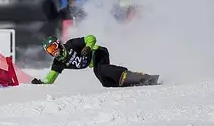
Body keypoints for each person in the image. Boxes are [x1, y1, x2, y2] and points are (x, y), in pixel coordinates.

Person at [31, 34, 159, 88]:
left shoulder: (71, 44)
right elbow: (51, 78)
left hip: (98, 52)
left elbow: (91, 37)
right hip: (93, 63)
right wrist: (42, 83)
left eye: (53, 47)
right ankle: (132, 82)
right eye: (49, 50)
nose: (53, 51)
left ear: (58, 44)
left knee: (102, 70)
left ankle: (142, 77)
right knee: (106, 82)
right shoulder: (58, 63)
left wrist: (87, 47)